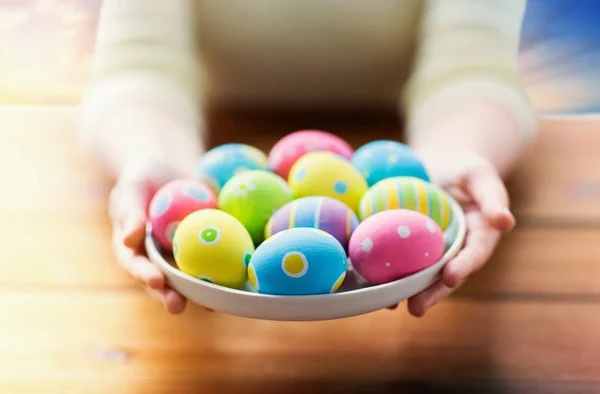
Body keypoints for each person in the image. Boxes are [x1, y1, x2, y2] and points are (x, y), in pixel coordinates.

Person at [78, 0, 538, 317]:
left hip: (398, 135)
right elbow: (137, 66)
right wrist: (154, 157)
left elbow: (473, 66)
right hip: (216, 138)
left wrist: (459, 154)